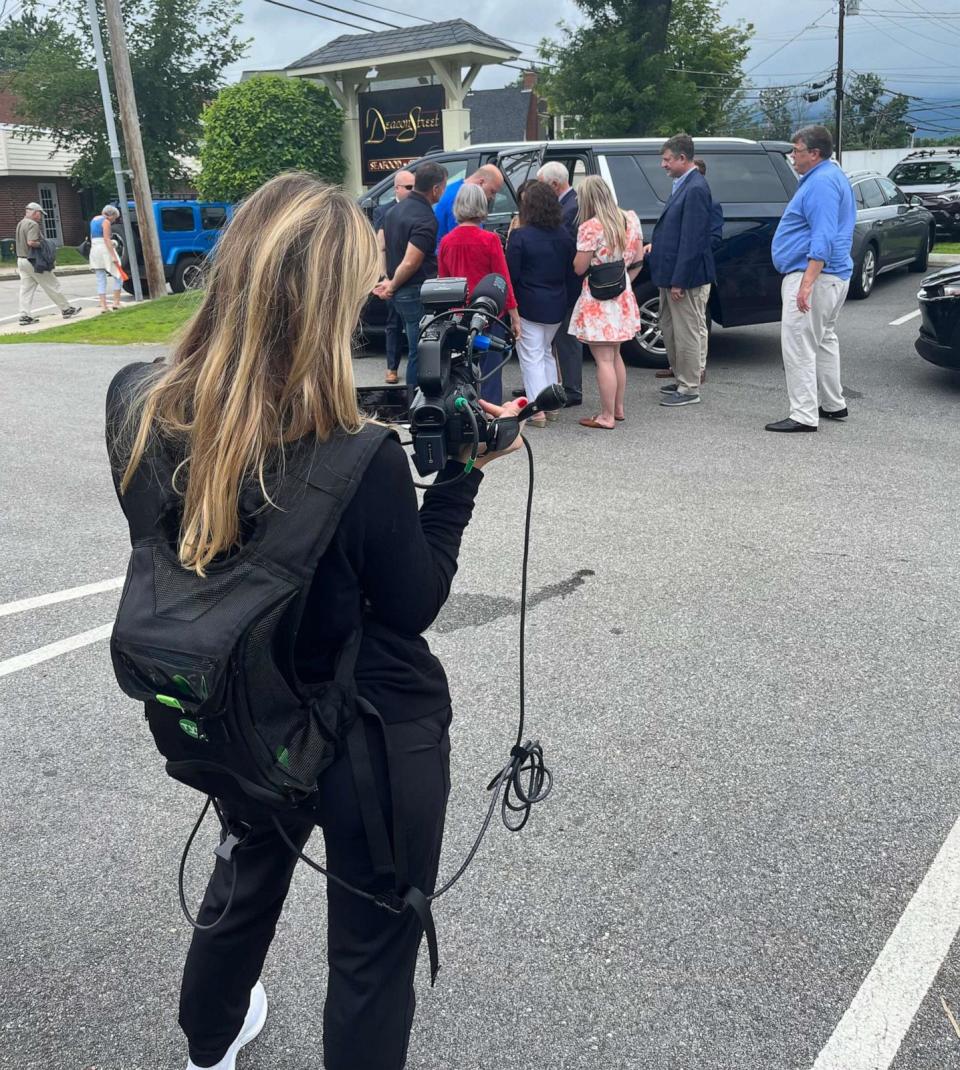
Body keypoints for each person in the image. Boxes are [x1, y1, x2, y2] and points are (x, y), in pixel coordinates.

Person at [104, 172, 523, 1070]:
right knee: (373, 948)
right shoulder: (357, 454)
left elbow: (208, 514)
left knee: (247, 868)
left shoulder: (138, 401)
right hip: (370, 728)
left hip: (241, 703)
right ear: (330, 301)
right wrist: (462, 476)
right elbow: (412, 605)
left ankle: (208, 1039)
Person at [766, 124, 855, 432]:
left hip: (815, 275)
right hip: (832, 276)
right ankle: (833, 403)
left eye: (797, 150)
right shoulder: (830, 175)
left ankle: (803, 414)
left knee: (799, 344)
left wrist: (806, 282)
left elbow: (823, 235)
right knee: (824, 339)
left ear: (814, 153)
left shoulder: (821, 183)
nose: (793, 156)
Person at [646, 134, 716, 409]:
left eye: (667, 159)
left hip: (684, 279)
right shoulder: (683, 185)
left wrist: (680, 280)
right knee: (670, 328)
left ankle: (689, 388)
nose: (663, 164)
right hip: (669, 275)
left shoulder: (696, 188)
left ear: (682, 159)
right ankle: (680, 379)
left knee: (687, 332)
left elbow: (693, 239)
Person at [570, 175, 645, 430]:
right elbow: (637, 257)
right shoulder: (630, 218)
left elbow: (580, 267)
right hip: (622, 293)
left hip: (597, 297)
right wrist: (624, 277)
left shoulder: (590, 226)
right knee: (615, 355)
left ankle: (606, 416)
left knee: (602, 359)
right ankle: (619, 408)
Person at [437, 182, 520, 406]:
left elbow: (443, 283)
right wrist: (514, 315)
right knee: (491, 366)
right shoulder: (490, 240)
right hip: (489, 313)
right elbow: (503, 280)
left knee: (462, 365)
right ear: (483, 205)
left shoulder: (446, 242)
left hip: (459, 312)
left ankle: (465, 407)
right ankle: (490, 410)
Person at [505, 180, 575, 427]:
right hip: (557, 303)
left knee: (531, 356)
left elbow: (510, 276)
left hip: (529, 304)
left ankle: (537, 410)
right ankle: (552, 404)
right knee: (546, 353)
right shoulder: (564, 235)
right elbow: (570, 272)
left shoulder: (520, 236)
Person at [373, 161, 447, 387]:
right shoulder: (425, 218)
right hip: (414, 291)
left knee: (416, 347)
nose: (443, 192)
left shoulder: (393, 211)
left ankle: (414, 401)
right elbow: (411, 262)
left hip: (400, 292)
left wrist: (386, 279)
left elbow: (382, 247)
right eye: (443, 187)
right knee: (420, 351)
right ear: (435, 189)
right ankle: (416, 403)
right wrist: (392, 284)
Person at [537, 160, 584, 408]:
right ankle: (549, 383)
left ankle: (572, 389)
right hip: (563, 283)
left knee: (567, 337)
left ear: (554, 185)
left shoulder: (570, 208)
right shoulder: (569, 203)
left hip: (568, 283)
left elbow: (568, 249)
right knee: (557, 338)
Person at [373, 169, 415, 384]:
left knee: (415, 324)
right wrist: (383, 275)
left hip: (413, 271)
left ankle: (416, 371)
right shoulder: (384, 211)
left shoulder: (419, 208)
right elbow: (380, 245)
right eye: (408, 187)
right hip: (392, 272)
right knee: (393, 322)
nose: (412, 191)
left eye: (414, 187)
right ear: (397, 188)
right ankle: (392, 367)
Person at [15, 201, 81, 325]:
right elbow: (31, 242)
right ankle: (66, 309)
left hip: (21, 260)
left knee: (26, 289)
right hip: (33, 260)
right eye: (40, 214)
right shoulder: (32, 224)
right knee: (52, 284)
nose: (41, 217)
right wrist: (46, 244)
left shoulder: (21, 223)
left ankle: (24, 315)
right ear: (35, 213)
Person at [433, 164, 504, 246]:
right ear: (481, 182)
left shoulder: (456, 190)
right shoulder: (458, 198)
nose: (493, 197)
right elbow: (463, 242)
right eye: (492, 191)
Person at [88, 204, 123, 313]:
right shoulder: (106, 222)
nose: (114, 221)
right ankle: (116, 303)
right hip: (104, 250)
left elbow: (92, 237)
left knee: (100, 278)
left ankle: (103, 306)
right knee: (118, 275)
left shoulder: (94, 220)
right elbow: (106, 239)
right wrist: (113, 256)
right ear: (111, 215)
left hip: (94, 250)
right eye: (115, 218)